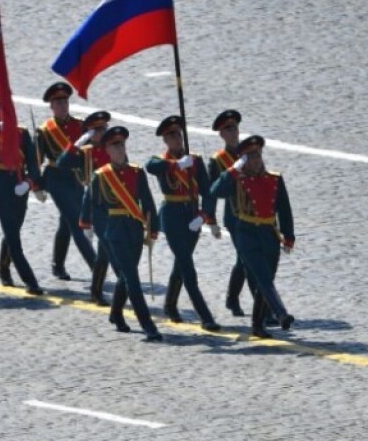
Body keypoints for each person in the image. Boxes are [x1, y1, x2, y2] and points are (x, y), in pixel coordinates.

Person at [209, 135, 296, 337]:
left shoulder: (274, 179)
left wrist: (288, 235)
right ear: (243, 160)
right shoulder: (236, 180)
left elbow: (284, 209)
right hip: (246, 234)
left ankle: (257, 325)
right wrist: (232, 170)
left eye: (257, 155)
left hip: (269, 235)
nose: (256, 160)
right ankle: (281, 313)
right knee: (263, 280)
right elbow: (214, 191)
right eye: (250, 157)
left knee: (266, 281)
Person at [81, 125, 161, 340]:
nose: (119, 149)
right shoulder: (102, 176)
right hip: (114, 232)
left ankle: (116, 313)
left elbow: (147, 200)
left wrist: (153, 228)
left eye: (122, 144)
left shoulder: (136, 172)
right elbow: (94, 207)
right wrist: (100, 232)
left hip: (134, 229)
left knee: (126, 277)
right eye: (114, 145)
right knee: (133, 279)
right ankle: (148, 325)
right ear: (107, 150)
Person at [145, 115, 220, 329]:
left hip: (192, 217)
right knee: (188, 267)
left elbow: (208, 192)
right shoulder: (163, 162)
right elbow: (150, 166)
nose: (176, 138)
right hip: (172, 217)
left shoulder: (195, 161)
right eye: (171, 135)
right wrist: (176, 165)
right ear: (165, 140)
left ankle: (169, 304)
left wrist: (204, 216)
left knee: (181, 263)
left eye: (178, 134)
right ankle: (206, 317)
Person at [0, 90, 44, 294]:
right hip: (0, 184)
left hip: (20, 184)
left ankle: (3, 269)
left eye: (5, 107)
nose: (2, 110)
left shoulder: (21, 133)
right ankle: (31, 281)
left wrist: (30, 183)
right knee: (13, 236)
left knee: (13, 230)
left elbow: (33, 163)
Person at [34, 82, 95, 281]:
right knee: (76, 222)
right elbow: (37, 161)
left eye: (65, 101)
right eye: (57, 102)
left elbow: (91, 153)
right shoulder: (44, 131)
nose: (62, 105)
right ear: (51, 106)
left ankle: (57, 264)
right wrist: (36, 185)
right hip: (56, 179)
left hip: (76, 179)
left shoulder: (80, 125)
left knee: (66, 222)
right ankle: (97, 268)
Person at [59, 110, 113, 305]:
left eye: (104, 128)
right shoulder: (85, 151)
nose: (102, 132)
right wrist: (77, 144)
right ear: (90, 132)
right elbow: (62, 163)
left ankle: (97, 290)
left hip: (115, 206)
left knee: (108, 252)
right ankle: (98, 292)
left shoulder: (112, 148)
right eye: (97, 129)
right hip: (96, 207)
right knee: (106, 249)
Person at [206, 110, 249, 316]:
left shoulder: (249, 154)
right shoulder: (218, 160)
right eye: (227, 129)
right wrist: (211, 220)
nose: (233, 132)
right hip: (234, 215)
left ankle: (232, 299)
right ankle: (264, 310)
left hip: (255, 214)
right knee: (247, 258)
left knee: (246, 259)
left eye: (234, 127)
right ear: (221, 134)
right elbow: (211, 193)